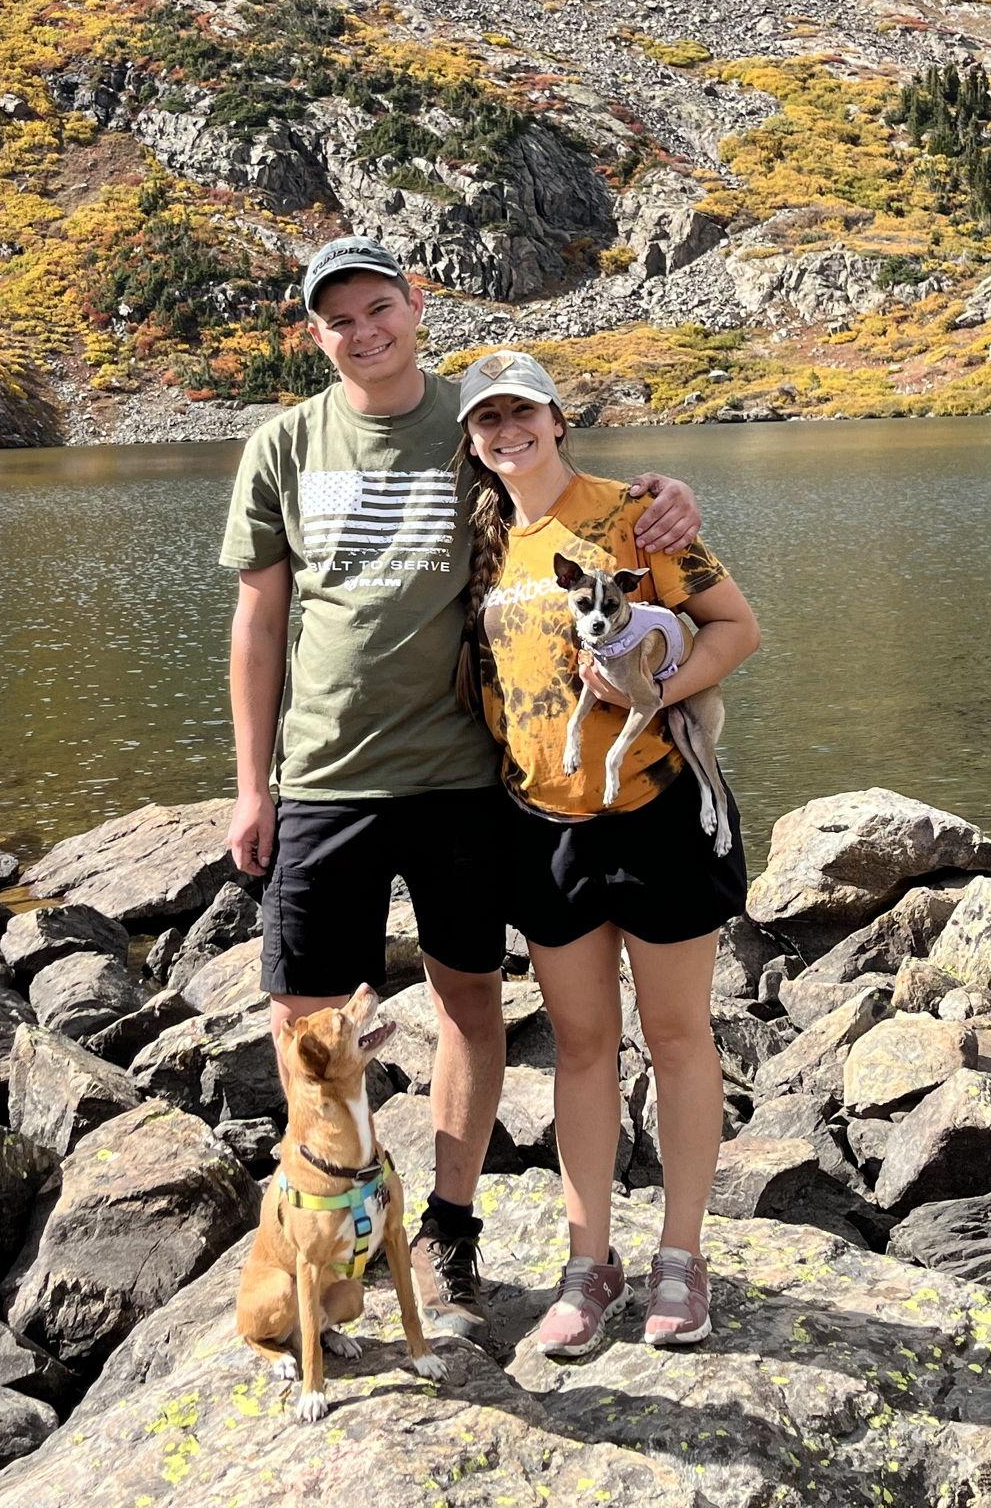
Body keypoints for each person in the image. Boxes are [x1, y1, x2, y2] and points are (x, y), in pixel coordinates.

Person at [219, 236, 706, 1340]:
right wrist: (251, 787)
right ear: (316, 332)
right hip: (325, 778)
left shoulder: (472, 425)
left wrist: (669, 494)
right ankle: (326, 1229)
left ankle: (446, 1228)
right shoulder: (284, 442)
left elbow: (570, 497)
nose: (364, 330)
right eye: (339, 318)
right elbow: (257, 619)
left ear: (413, 304)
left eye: (378, 307)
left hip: (461, 780)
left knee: (468, 1005)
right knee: (303, 1021)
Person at [457, 349, 759, 1356]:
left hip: (654, 807)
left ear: (556, 417)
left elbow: (734, 626)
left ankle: (682, 1257)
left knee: (675, 1036)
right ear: (471, 438)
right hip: (541, 825)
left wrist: (656, 695)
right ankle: (588, 1267)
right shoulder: (479, 543)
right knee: (580, 1048)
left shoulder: (634, 514)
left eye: (523, 411)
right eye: (487, 418)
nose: (508, 431)